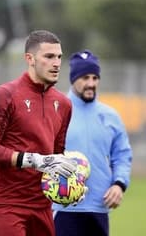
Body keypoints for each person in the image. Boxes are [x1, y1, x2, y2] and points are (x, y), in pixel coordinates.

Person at [0, 30, 78, 236]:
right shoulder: (4, 95)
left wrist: (70, 185)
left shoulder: (64, 104)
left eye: (59, 57)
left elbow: (55, 156)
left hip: (42, 207)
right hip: (5, 205)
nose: (56, 63)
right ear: (29, 59)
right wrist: (33, 160)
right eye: (49, 57)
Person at [53, 50, 133, 236]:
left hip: (99, 206)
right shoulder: (55, 111)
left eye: (95, 77)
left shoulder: (110, 116)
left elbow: (122, 155)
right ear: (73, 79)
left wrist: (119, 184)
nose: (91, 83)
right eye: (84, 77)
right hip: (63, 207)